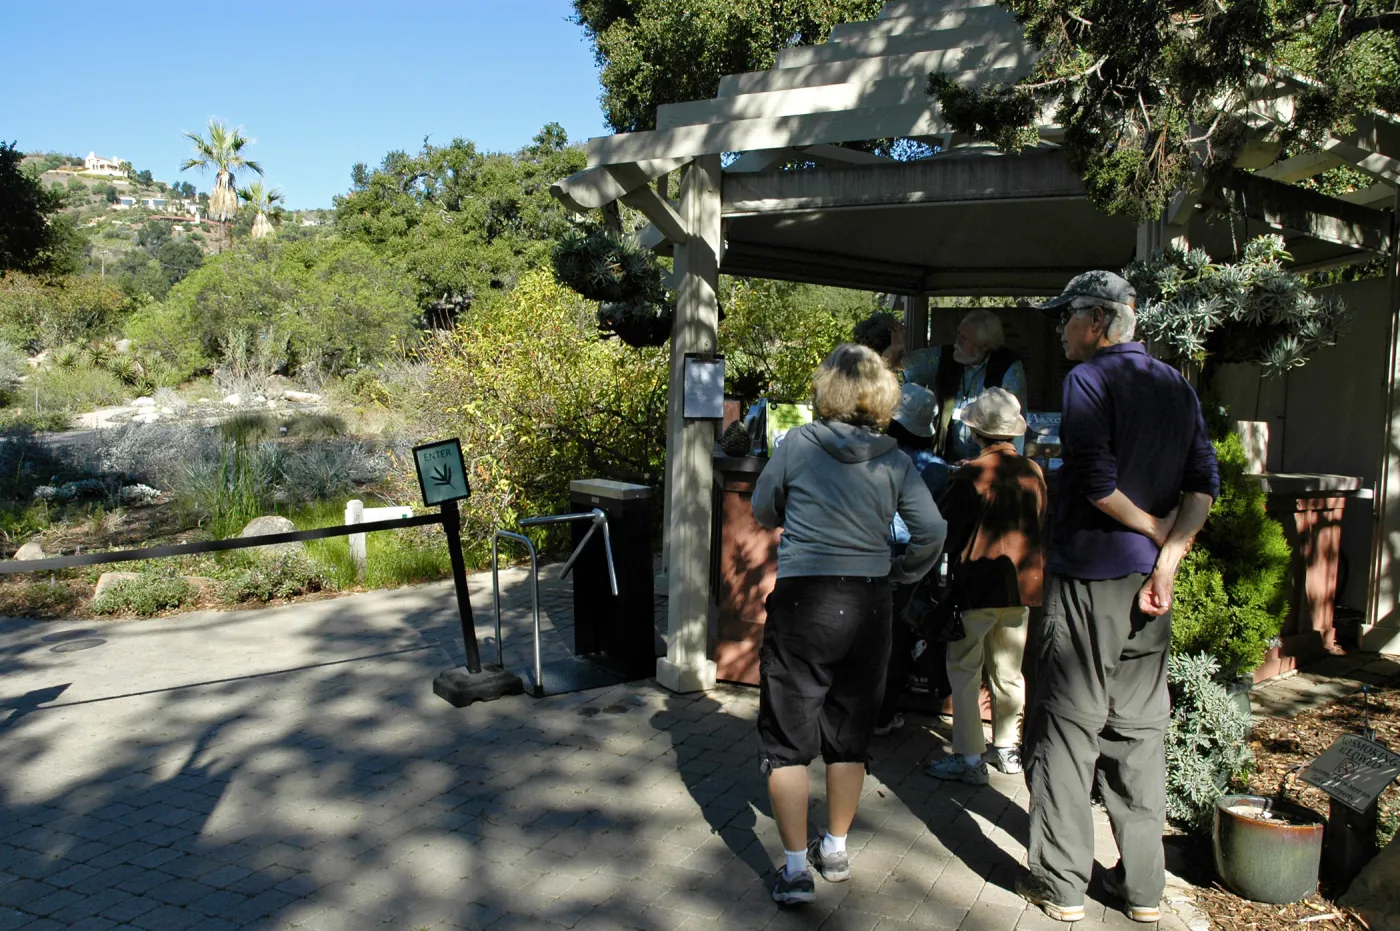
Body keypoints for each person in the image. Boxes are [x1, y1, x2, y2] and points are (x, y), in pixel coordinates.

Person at [1018, 271, 1219, 925]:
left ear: (1098, 321)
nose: (1060, 329)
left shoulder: (1087, 380)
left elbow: (1097, 484)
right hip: (1149, 587)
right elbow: (1203, 483)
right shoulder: (1175, 383)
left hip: (1088, 578)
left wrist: (1158, 535)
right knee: (1139, 733)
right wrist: (1168, 562)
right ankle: (1143, 890)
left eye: (1066, 316)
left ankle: (1062, 886)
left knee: (1067, 728)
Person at [751, 344, 947, 906]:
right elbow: (932, 530)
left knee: (788, 737)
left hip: (804, 600)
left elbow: (764, 508)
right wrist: (901, 573)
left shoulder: (797, 444)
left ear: (827, 388)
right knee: (850, 733)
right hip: (869, 602)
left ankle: (795, 871)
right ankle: (834, 849)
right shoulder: (895, 459)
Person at [924, 387, 1046, 786]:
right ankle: (1007, 748)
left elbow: (945, 530)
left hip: (976, 586)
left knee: (963, 670)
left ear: (976, 431)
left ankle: (969, 757)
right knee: (1009, 672)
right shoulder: (1033, 471)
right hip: (1021, 587)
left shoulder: (970, 475)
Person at [874, 383, 951, 737]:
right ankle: (883, 714)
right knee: (895, 638)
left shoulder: (875, 455)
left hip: (869, 551)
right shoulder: (936, 468)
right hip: (908, 560)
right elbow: (934, 527)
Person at [878, 309, 1029, 462]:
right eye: (958, 333)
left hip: (988, 462)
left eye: (965, 338)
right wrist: (896, 347)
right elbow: (895, 364)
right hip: (948, 460)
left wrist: (989, 463)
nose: (957, 341)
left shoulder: (1007, 368)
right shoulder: (945, 357)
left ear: (985, 346)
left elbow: (1012, 423)